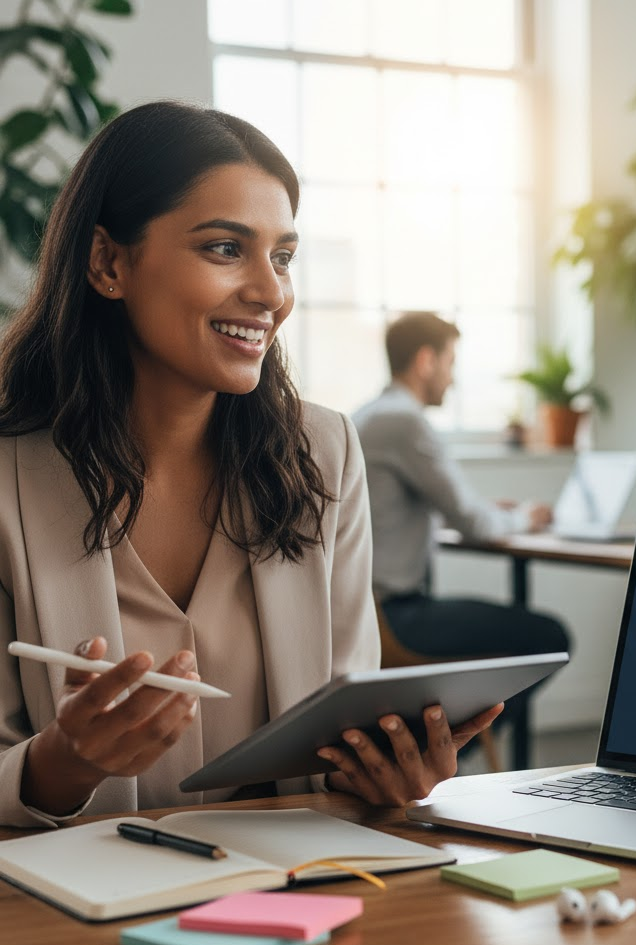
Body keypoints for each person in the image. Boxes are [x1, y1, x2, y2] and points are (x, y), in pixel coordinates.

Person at [0, 102, 499, 829]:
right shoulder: (11, 474)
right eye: (225, 248)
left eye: (283, 256)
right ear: (110, 262)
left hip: (292, 898)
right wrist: (67, 760)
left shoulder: (324, 454)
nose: (272, 293)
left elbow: (340, 740)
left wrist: (385, 772)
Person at [353, 312, 571, 671]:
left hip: (366, 614)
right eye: (450, 362)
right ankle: (477, 727)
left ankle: (474, 725)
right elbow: (475, 524)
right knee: (550, 638)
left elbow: (402, 510)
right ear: (426, 361)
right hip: (394, 619)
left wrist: (486, 508)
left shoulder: (370, 414)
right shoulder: (405, 421)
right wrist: (523, 517)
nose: (452, 379)